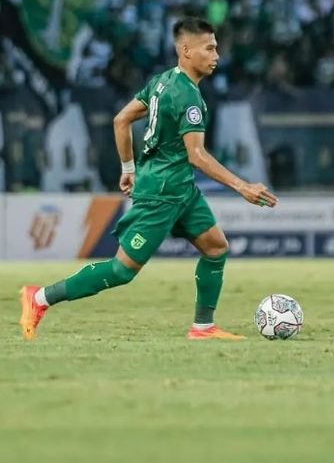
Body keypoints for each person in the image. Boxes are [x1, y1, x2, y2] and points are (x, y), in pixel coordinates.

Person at [19, 17, 278, 341]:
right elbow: (197, 155)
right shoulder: (188, 98)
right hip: (161, 193)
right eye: (209, 48)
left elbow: (121, 119)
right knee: (121, 270)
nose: (217, 55)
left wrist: (128, 168)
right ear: (185, 50)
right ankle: (39, 297)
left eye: (217, 48)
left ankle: (202, 327)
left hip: (180, 188)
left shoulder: (162, 82)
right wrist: (244, 186)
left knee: (215, 247)